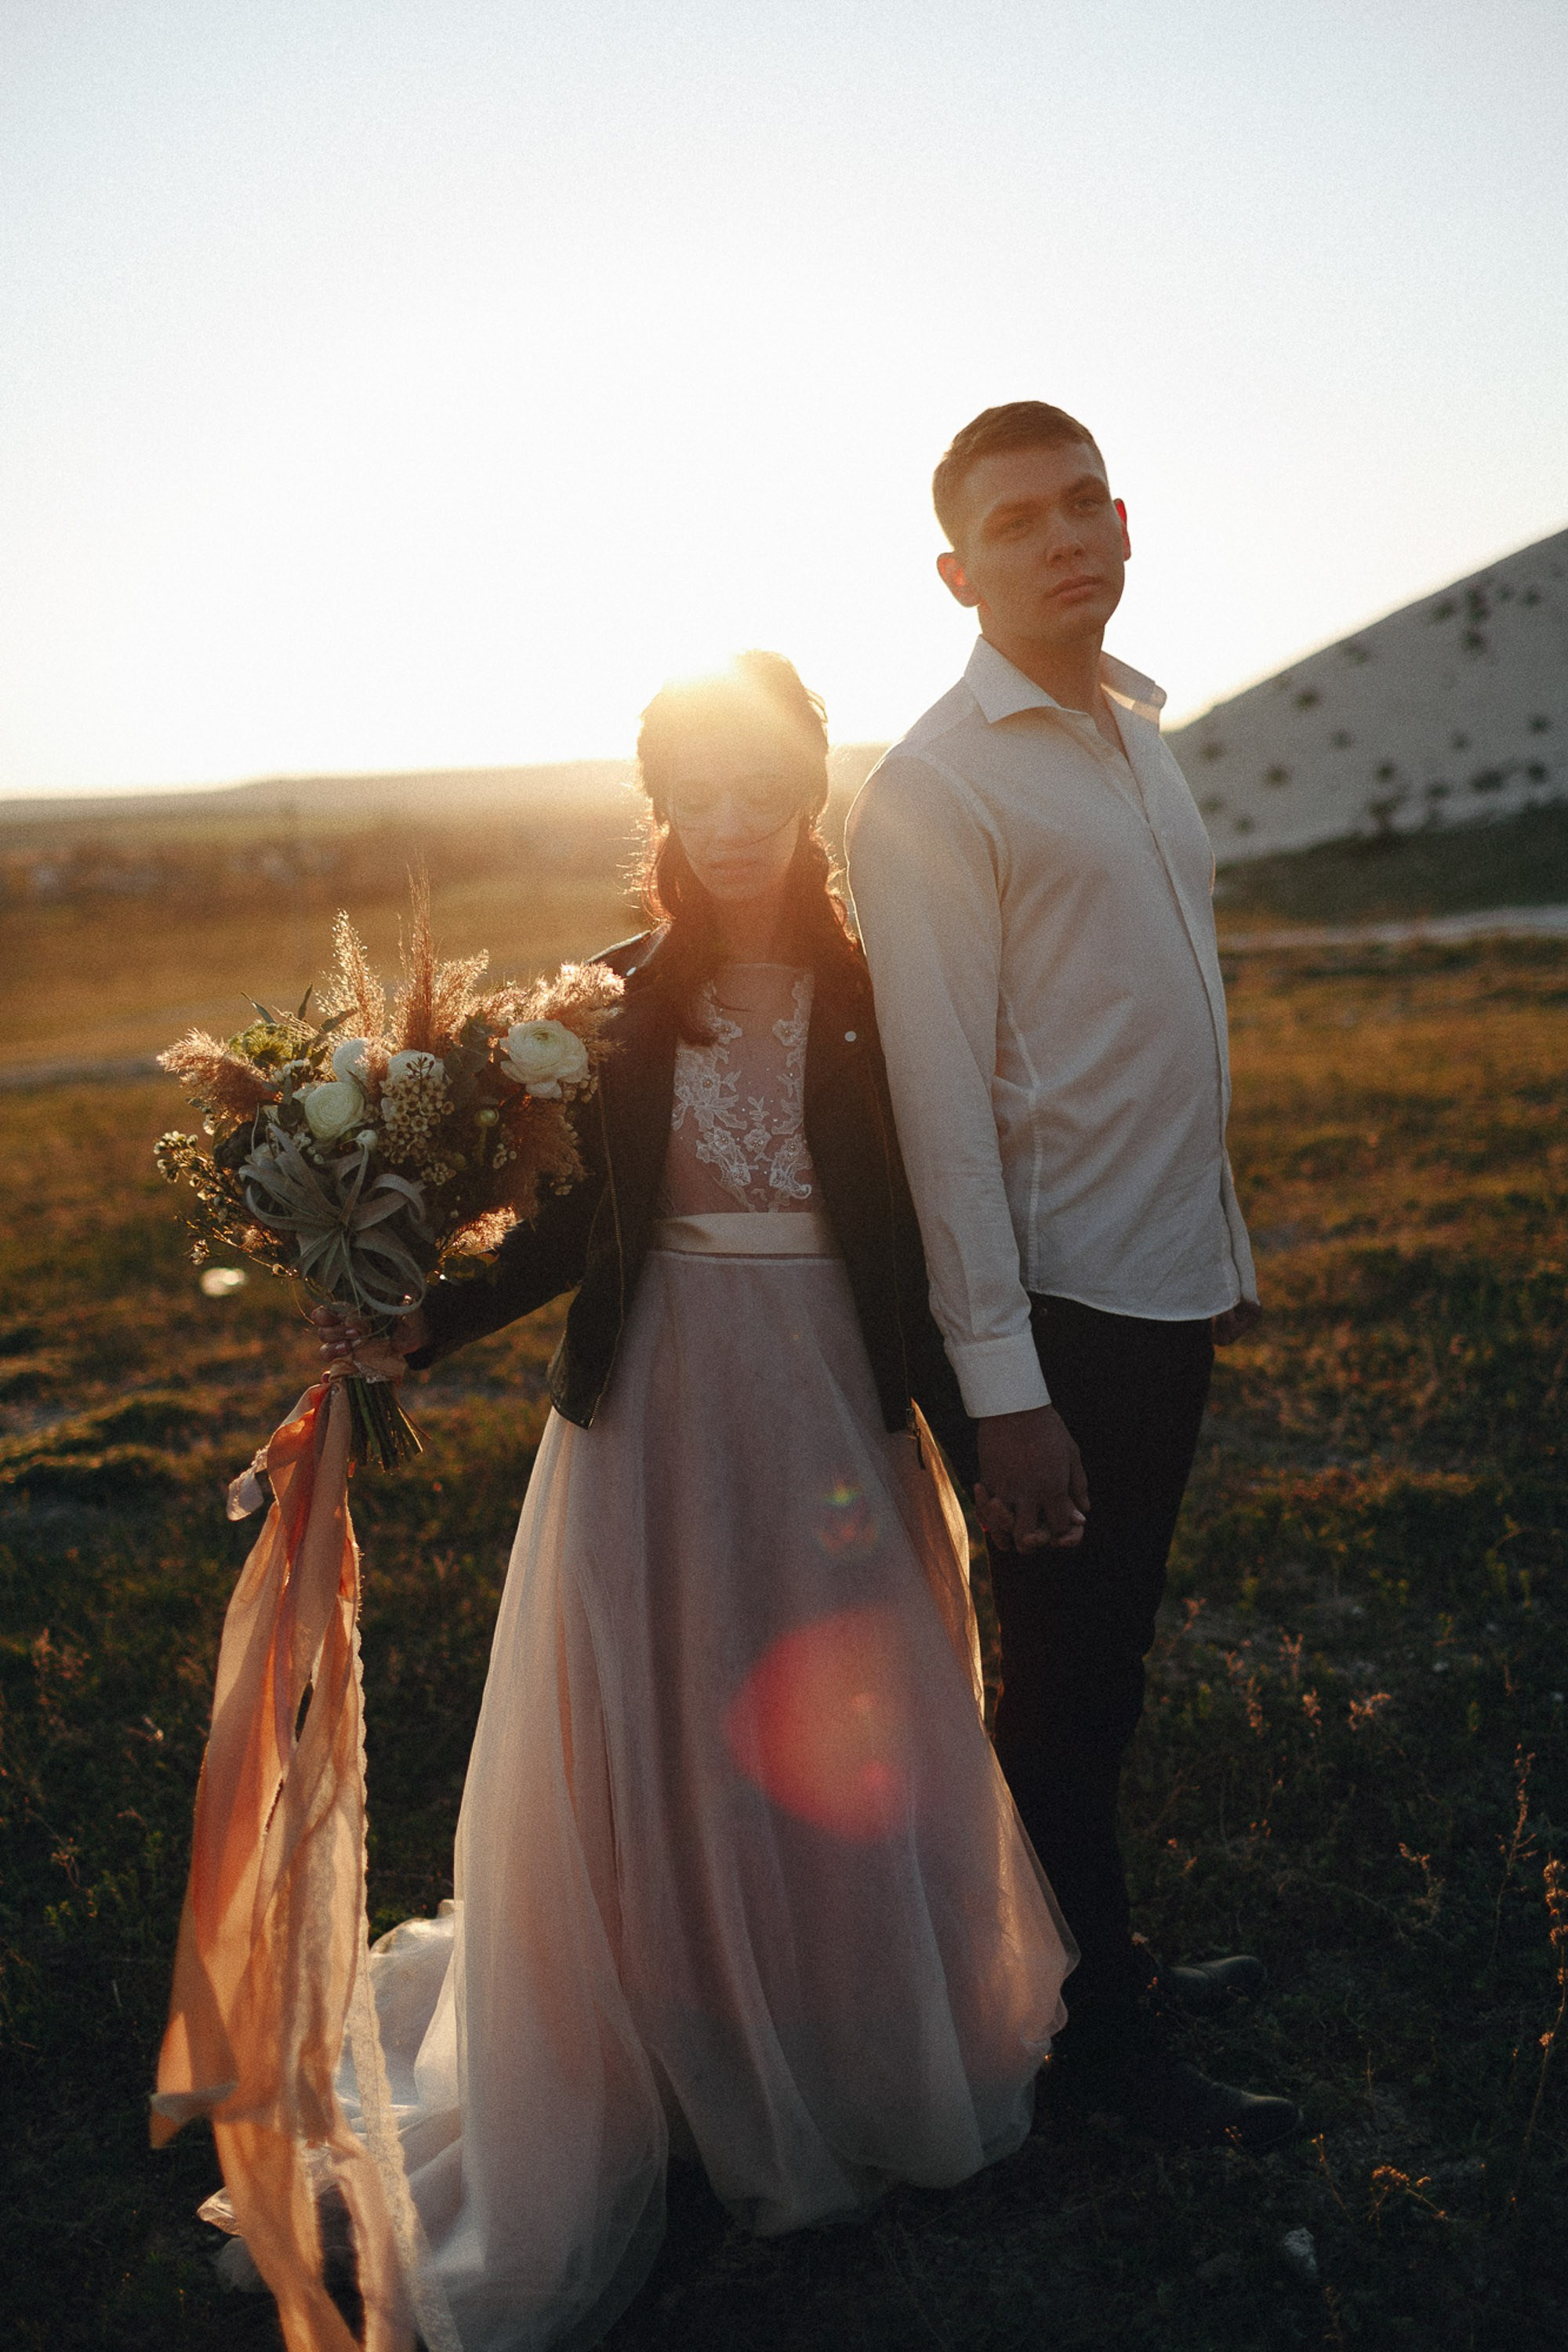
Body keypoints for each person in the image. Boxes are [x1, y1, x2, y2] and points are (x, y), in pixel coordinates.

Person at [314, 652, 1074, 2352]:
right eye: (698, 800)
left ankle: (845, 2034)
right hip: (654, 1408)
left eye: (764, 796)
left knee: (845, 1713)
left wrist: (998, 1424)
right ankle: (666, 2042)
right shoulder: (612, 999)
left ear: (812, 801)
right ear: (662, 816)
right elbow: (573, 1229)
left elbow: (946, 1227)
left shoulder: (884, 994)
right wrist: (423, 1318)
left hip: (824, 1403)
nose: (732, 829)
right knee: (659, 1715)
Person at [844, 404, 1300, 2147]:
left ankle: (1089, 1962)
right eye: (1018, 525)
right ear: (958, 572)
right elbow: (940, 1113)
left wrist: (1219, 1249)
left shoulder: (1131, 728)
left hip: (1154, 1277)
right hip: (1051, 1312)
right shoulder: (938, 784)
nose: (1065, 540)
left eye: (1083, 505)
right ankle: (1088, 2044)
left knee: (1100, 1662)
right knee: (1065, 1671)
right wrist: (1005, 1390)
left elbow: (1156, 1023)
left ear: (1123, 517)